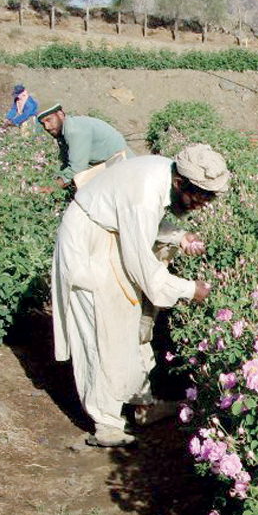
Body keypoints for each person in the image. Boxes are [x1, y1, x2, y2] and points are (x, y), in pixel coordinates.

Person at [51, 144, 230, 447]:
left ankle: (142, 404)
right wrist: (189, 290)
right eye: (199, 198)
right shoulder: (145, 195)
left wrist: (179, 235)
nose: (201, 205)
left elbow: (144, 225)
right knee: (102, 330)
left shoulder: (163, 173)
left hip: (110, 236)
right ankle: (106, 422)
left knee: (129, 321)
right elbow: (143, 269)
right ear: (179, 183)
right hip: (89, 244)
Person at [37, 103, 134, 189]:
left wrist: (48, 188)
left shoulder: (75, 131)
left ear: (61, 115)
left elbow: (76, 169)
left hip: (124, 168)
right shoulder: (63, 132)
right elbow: (66, 162)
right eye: (43, 124)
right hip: (106, 167)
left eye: (49, 120)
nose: (47, 127)